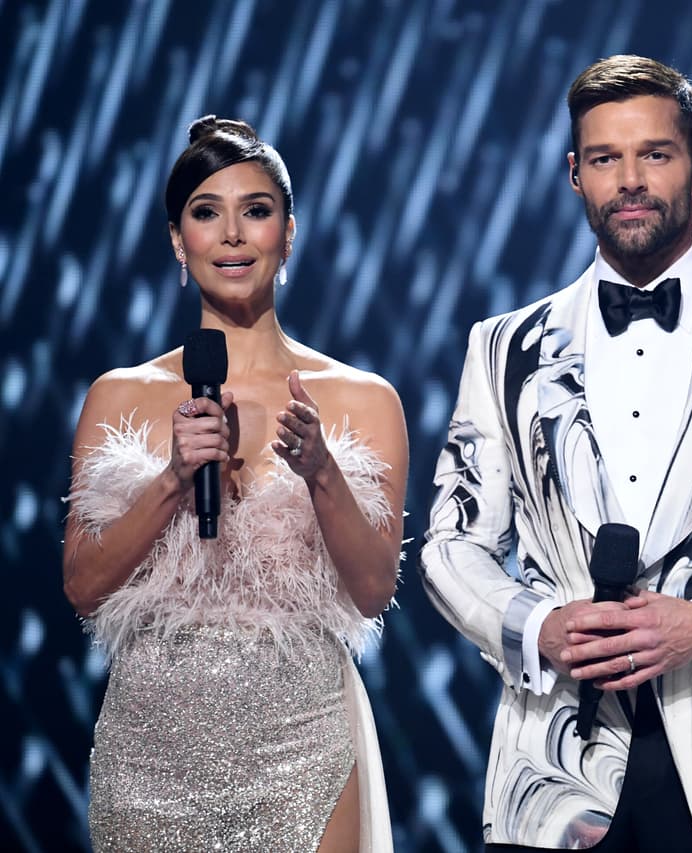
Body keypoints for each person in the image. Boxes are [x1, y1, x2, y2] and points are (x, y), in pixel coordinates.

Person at [420, 55, 692, 852]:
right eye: (604, 158)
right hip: (552, 765)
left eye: (654, 154)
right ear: (574, 174)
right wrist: (537, 626)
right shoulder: (502, 346)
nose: (629, 179)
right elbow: (452, 543)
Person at [62, 116, 407, 852]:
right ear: (176, 242)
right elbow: (82, 585)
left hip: (303, 742)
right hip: (150, 755)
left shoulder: (361, 399)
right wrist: (172, 479)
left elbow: (376, 589)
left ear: (288, 234)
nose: (232, 235)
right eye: (205, 213)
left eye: (255, 210)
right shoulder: (119, 396)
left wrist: (322, 473)